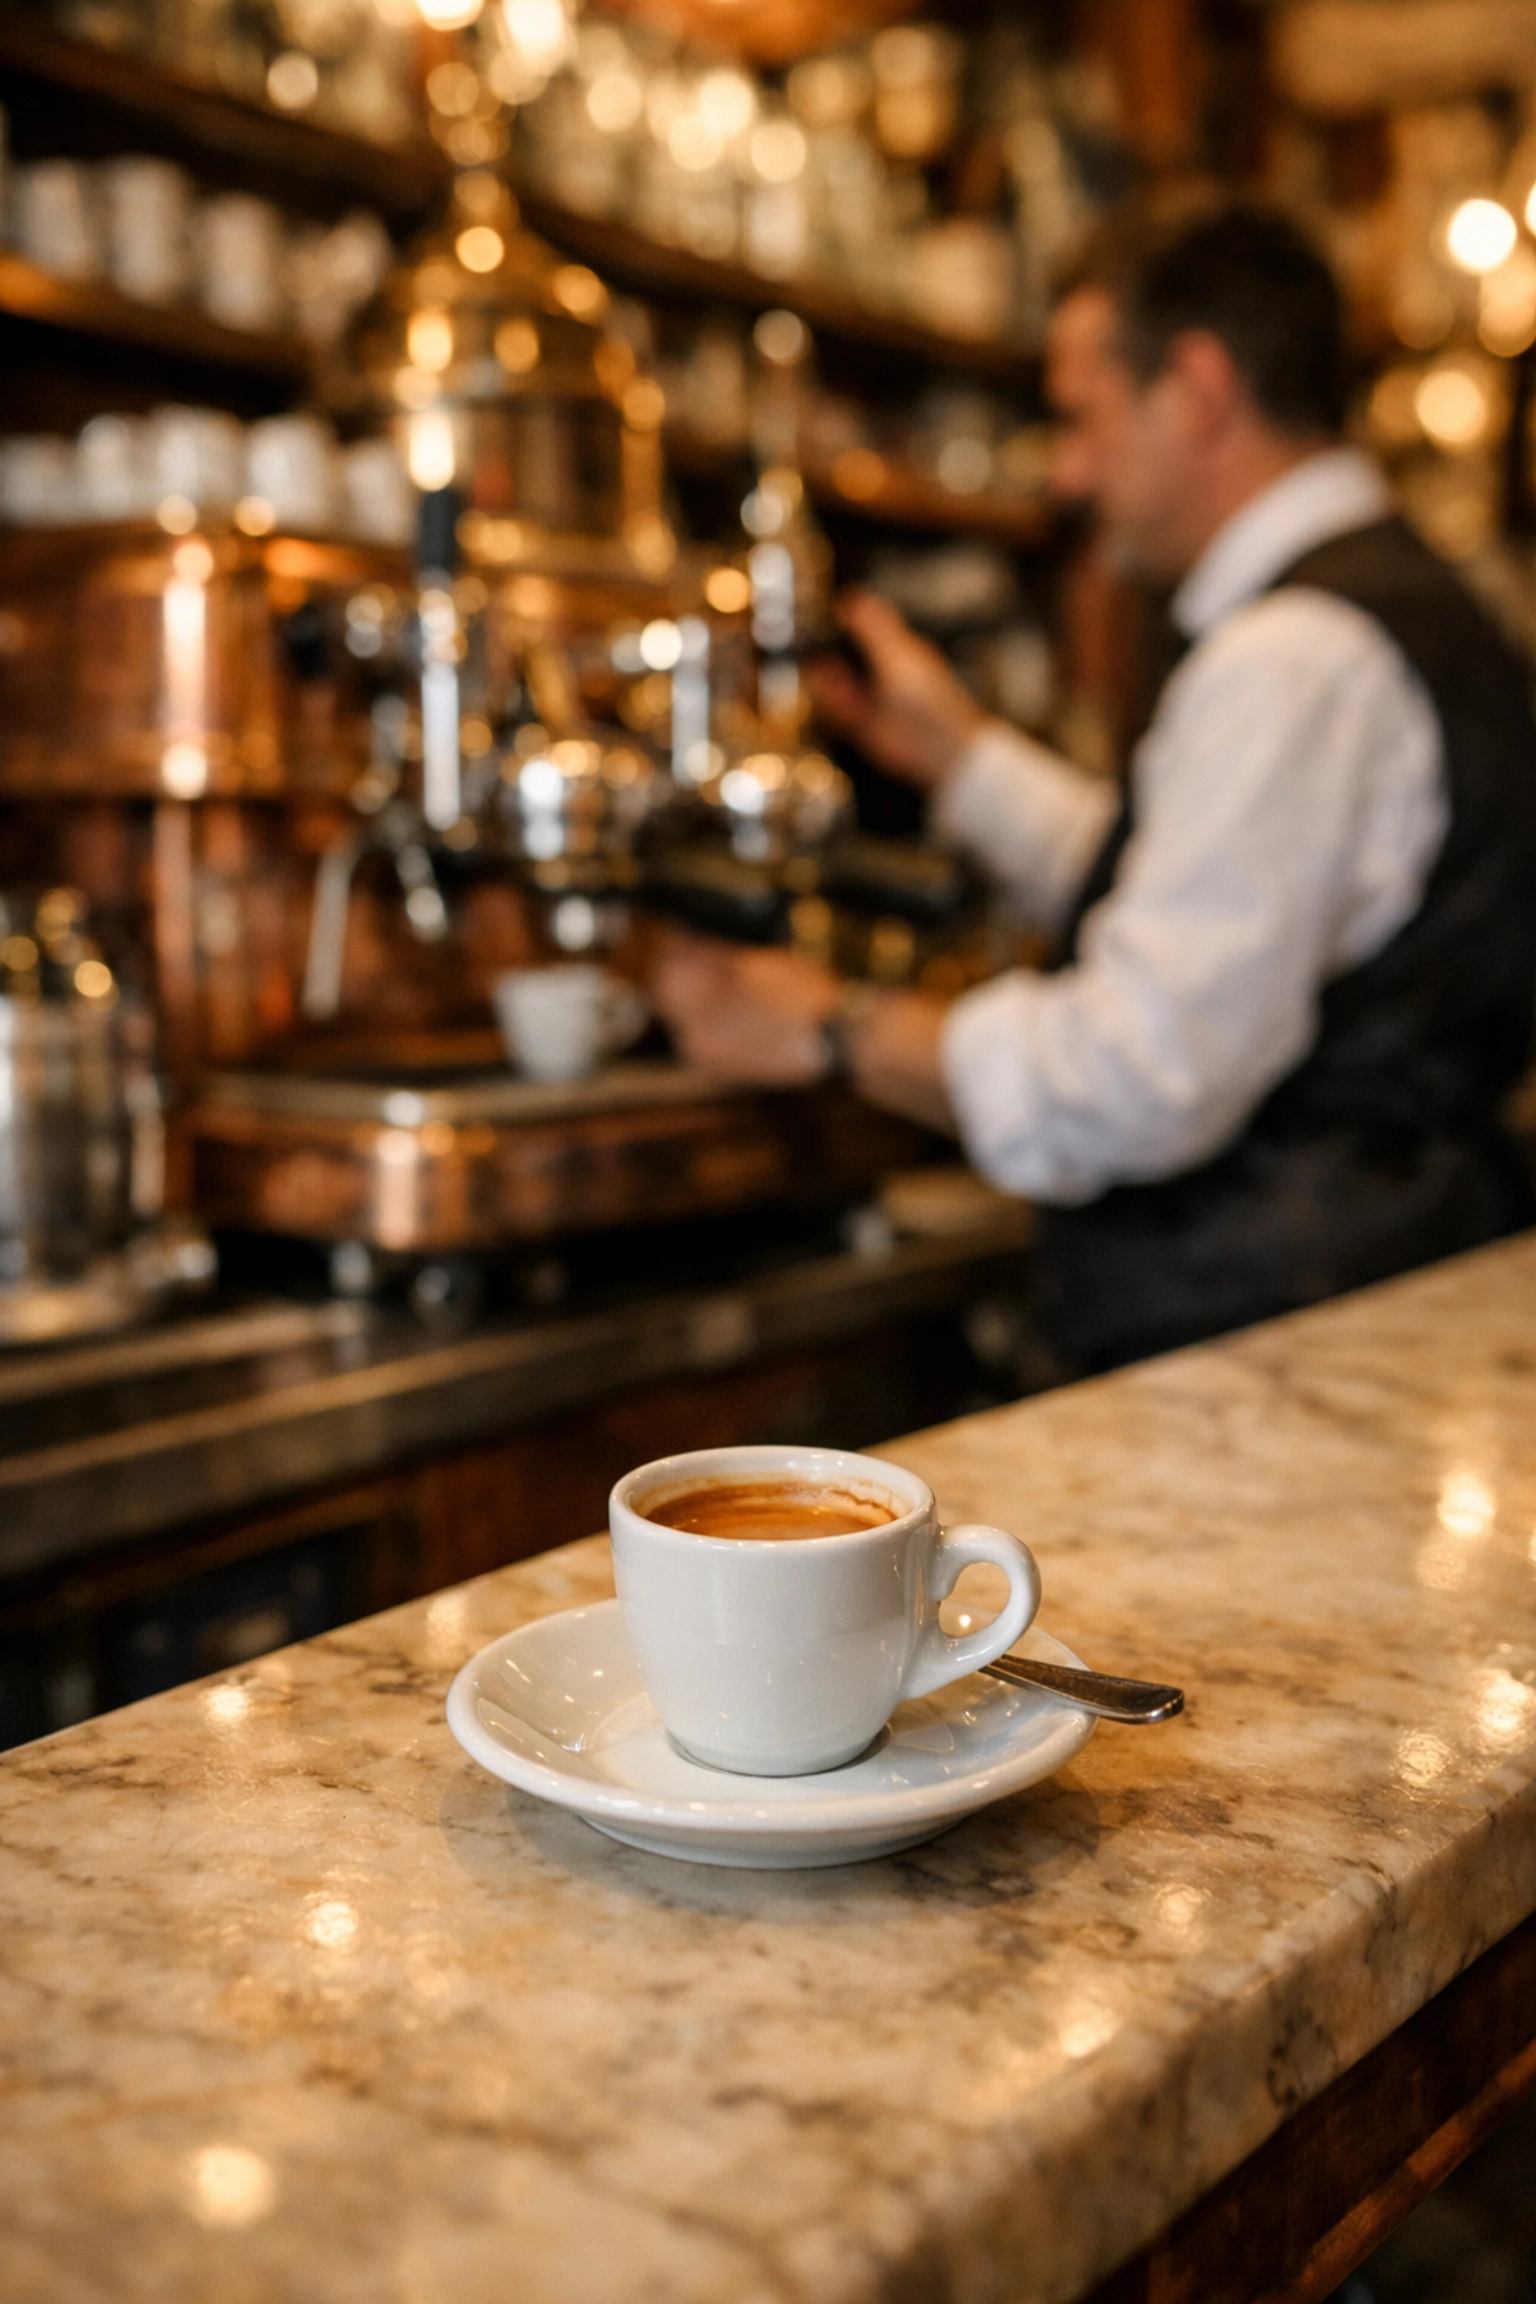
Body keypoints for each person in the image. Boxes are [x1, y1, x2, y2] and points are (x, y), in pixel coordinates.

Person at [653, 202, 1536, 1373]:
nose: (1068, 473)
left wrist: (831, 1025)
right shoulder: (1408, 606)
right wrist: (962, 757)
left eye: (1082, 417)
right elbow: (1222, 895)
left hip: (1270, 1357)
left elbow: (1142, 1071)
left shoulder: (1297, 658)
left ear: (1199, 389)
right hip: (1387, 1300)